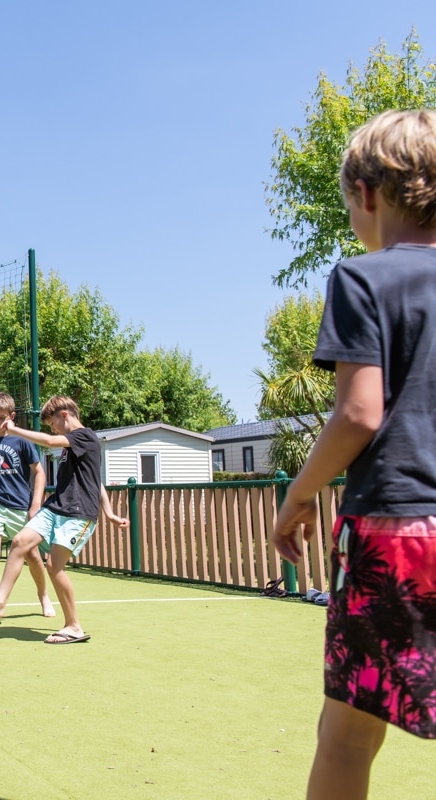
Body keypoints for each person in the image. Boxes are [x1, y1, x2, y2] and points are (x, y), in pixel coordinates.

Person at [270, 109, 436, 800]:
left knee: (348, 734)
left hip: (394, 531)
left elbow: (360, 412)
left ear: (367, 193)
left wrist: (300, 492)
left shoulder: (362, 279)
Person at [0, 395, 128, 643]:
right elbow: (96, 480)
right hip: (56, 507)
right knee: (20, 542)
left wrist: (15, 429)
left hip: (78, 513)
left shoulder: (85, 436)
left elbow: (50, 442)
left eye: (52, 424)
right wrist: (110, 511)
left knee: (54, 566)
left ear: (64, 415)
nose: (52, 430)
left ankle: (73, 626)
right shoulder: (73, 446)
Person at [0, 392, 55, 616]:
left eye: (3, 418)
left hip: (20, 505)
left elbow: (39, 472)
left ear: (12, 416)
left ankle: (43, 596)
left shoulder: (22, 440)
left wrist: (36, 503)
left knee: (32, 556)